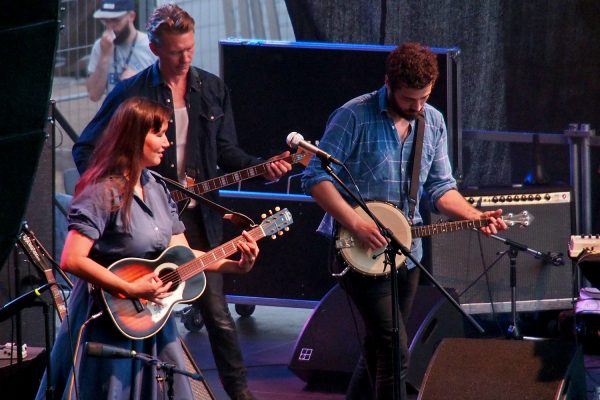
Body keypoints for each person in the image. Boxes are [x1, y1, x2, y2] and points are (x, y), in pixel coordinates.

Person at [73, 5, 291, 399]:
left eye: (190, 49)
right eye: (176, 52)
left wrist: (262, 167)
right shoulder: (132, 93)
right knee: (145, 316)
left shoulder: (211, 88)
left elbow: (227, 150)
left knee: (218, 315)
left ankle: (239, 395)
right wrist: (121, 188)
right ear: (155, 48)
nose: (186, 58)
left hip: (192, 218)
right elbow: (87, 149)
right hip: (139, 217)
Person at [301, 42, 507, 400]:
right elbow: (315, 177)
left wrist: (474, 215)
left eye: (424, 98)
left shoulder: (434, 121)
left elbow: (441, 188)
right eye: (410, 99)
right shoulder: (353, 116)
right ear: (389, 84)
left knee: (381, 345)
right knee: (394, 345)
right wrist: (354, 221)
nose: (417, 107)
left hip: (407, 251)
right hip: (355, 249)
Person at [36, 97, 260, 399]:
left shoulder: (156, 186)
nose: (167, 142)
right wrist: (130, 288)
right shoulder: (102, 191)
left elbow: (181, 254)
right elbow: (72, 259)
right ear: (134, 137)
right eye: (159, 134)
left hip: (153, 319)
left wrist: (233, 264)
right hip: (111, 320)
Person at [86, 0, 156, 101]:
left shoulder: (150, 45)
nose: (110, 27)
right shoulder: (101, 45)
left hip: (144, 113)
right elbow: (94, 95)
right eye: (105, 21)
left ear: (131, 16)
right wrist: (104, 57)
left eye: (115, 20)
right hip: (114, 114)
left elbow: (167, 89)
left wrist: (139, 82)